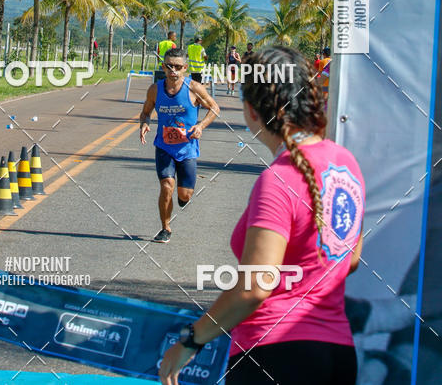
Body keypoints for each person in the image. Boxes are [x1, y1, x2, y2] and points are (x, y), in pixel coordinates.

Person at [159, 45, 365, 385]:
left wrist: (190, 340)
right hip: (338, 355)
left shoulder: (279, 179)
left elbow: (256, 286)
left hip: (274, 354)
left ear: (252, 112)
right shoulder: (346, 162)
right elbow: (351, 258)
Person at [140, 48, 220, 243]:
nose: (173, 70)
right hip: (164, 147)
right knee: (166, 185)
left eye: (177, 67)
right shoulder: (155, 90)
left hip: (188, 149)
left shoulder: (194, 88)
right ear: (163, 67)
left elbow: (215, 108)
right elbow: (145, 112)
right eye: (169, 66)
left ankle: (183, 199)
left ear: (185, 68)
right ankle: (165, 228)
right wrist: (144, 124)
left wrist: (200, 126)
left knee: (185, 196)